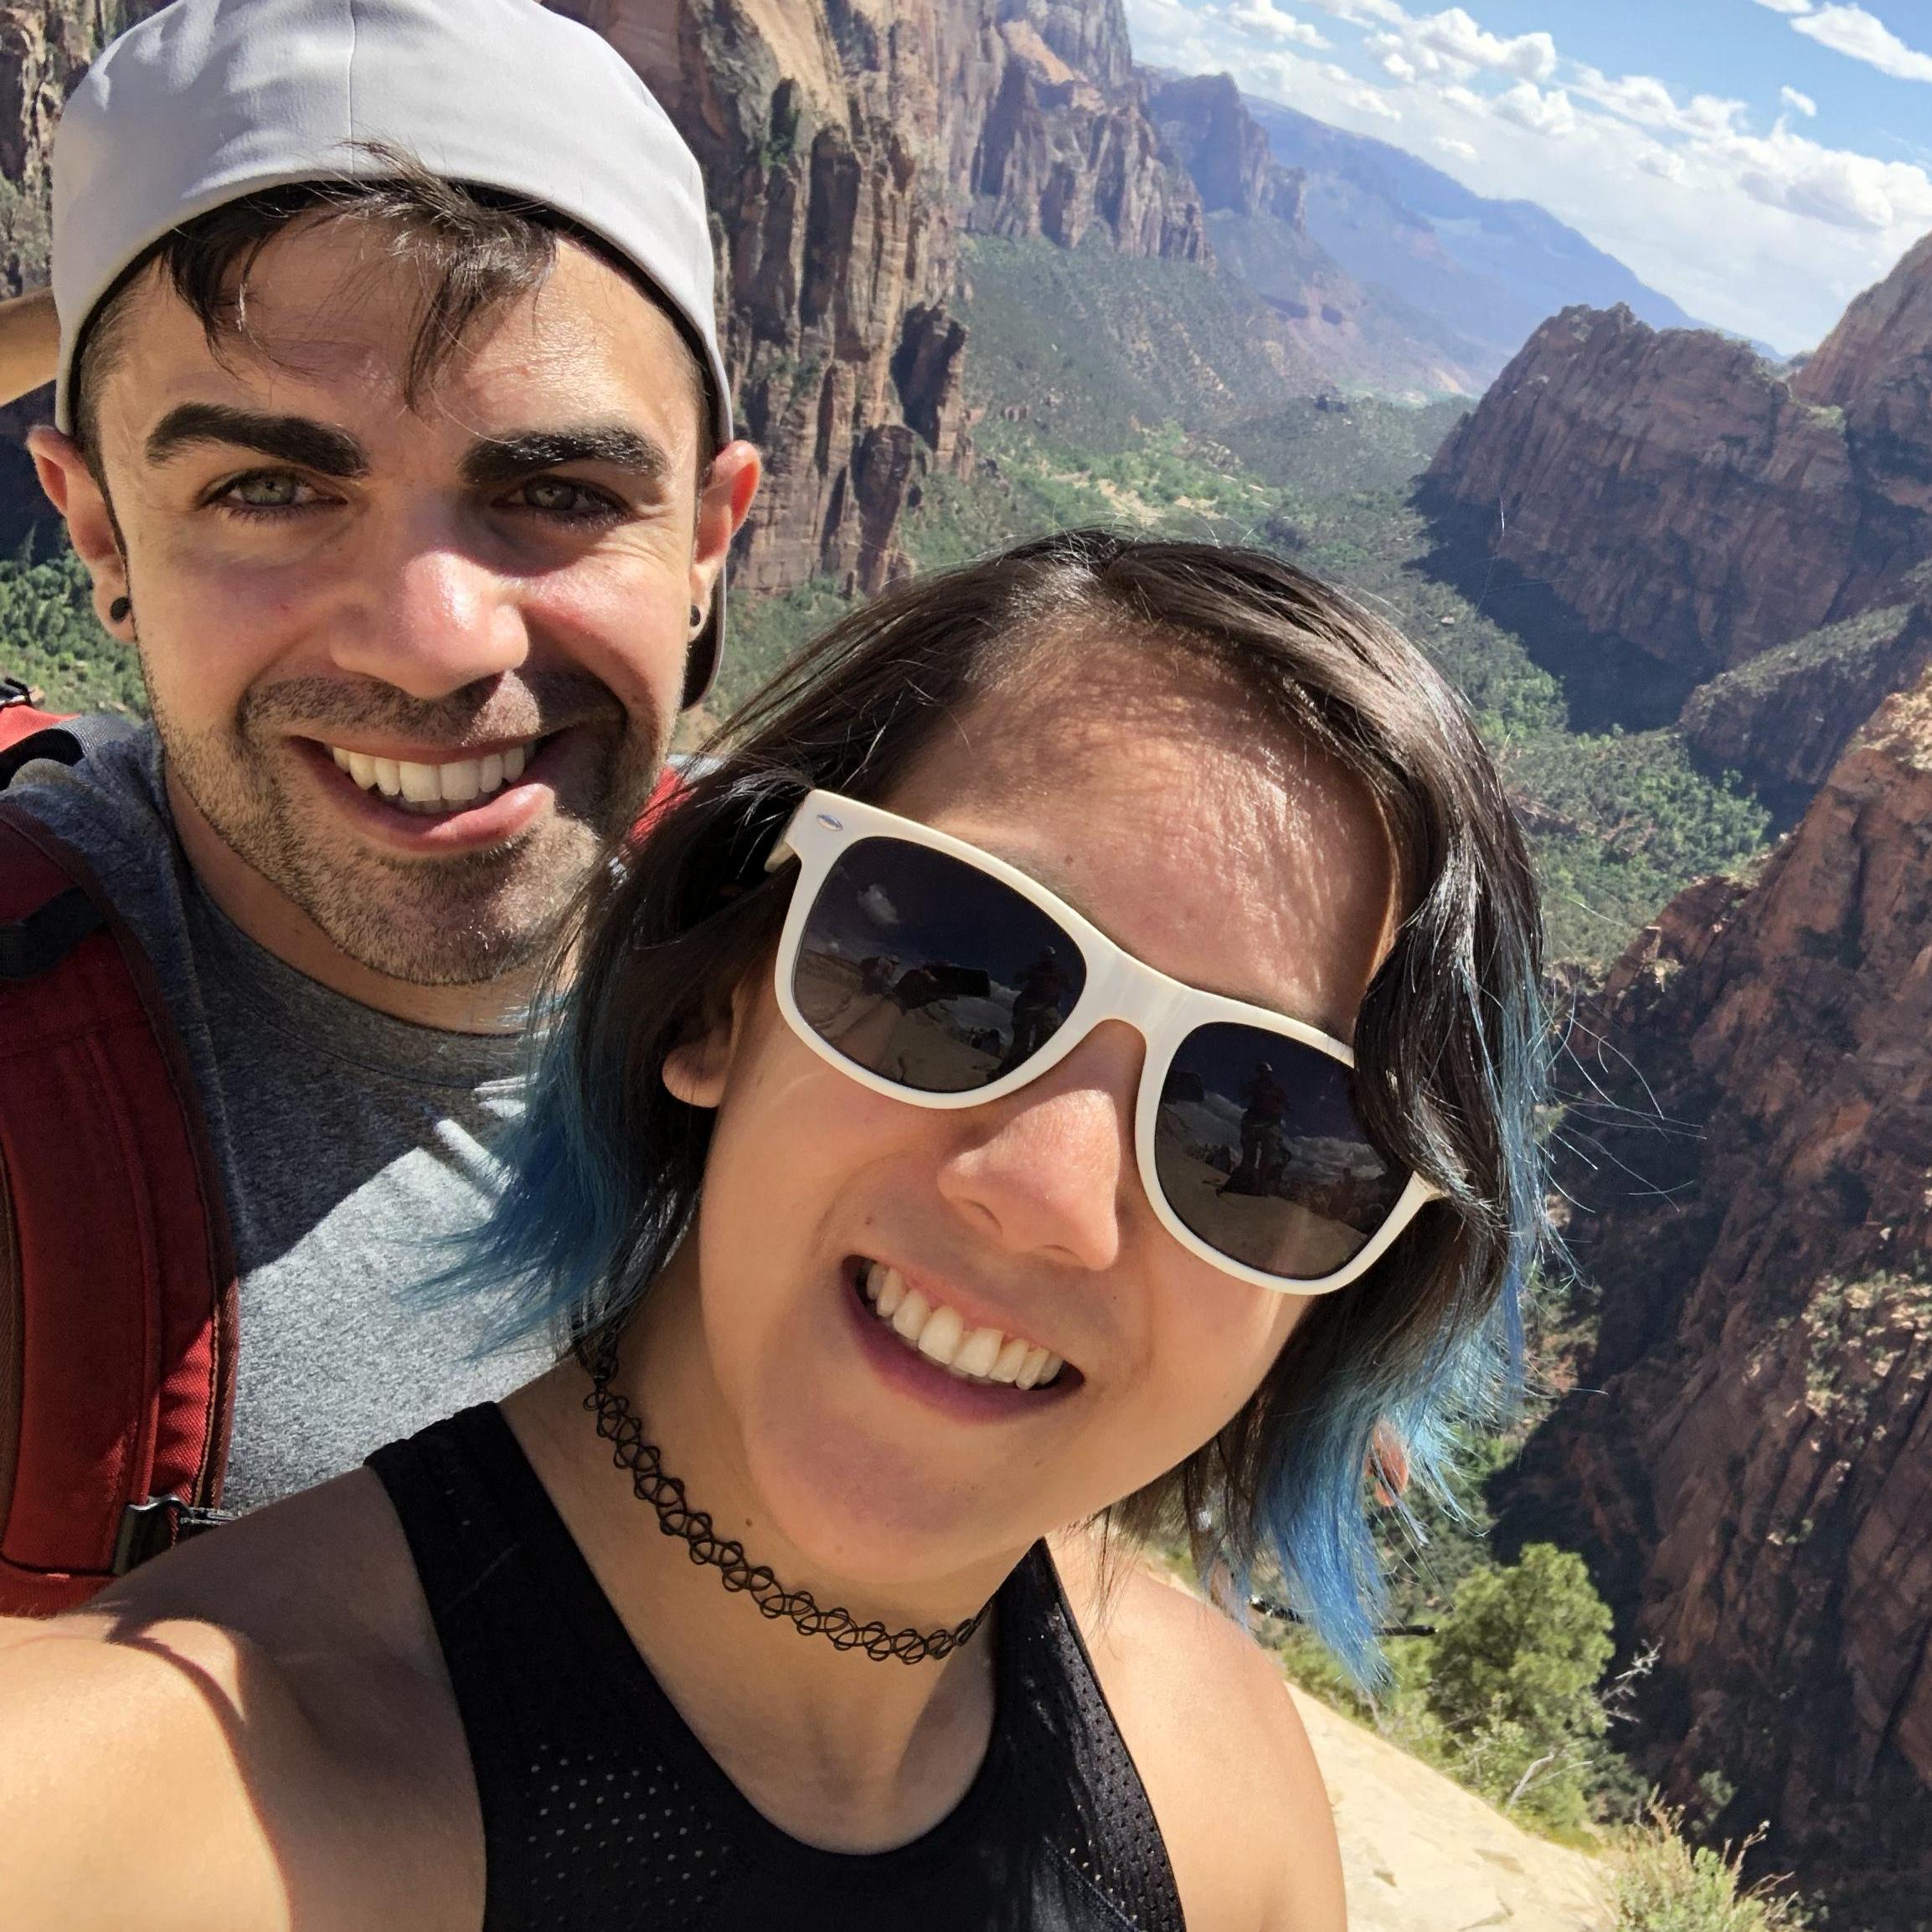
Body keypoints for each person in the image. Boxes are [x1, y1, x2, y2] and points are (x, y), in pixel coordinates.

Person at [0, 531, 1547, 1929]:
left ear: (1328, 1301)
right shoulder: (179, 1796)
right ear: (727, 993)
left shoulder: (1228, 1803)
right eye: (957, 963)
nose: (1051, 1195)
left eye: (1266, 1135)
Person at [0, 0, 760, 1601]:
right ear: (99, 539)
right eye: (266, 488)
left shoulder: (865, 989)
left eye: (557, 492)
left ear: (707, 538)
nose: (434, 647)